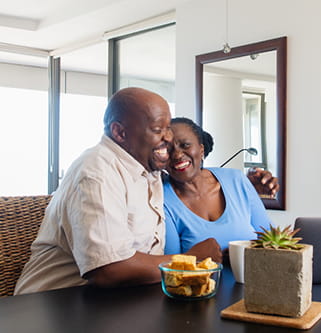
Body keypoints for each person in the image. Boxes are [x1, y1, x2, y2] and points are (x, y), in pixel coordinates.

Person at [15, 88, 221, 295]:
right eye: (159, 129)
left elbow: (187, 172)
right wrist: (191, 259)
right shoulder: (96, 171)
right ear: (120, 133)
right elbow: (108, 270)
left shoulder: (147, 167)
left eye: (168, 128)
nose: (169, 137)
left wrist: (251, 183)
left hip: (118, 301)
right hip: (54, 306)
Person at [162, 117, 273, 258]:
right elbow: (172, 266)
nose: (177, 155)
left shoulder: (236, 179)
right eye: (168, 150)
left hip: (256, 276)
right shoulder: (162, 200)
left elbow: (268, 238)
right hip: (199, 280)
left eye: (185, 145)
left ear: (201, 149)